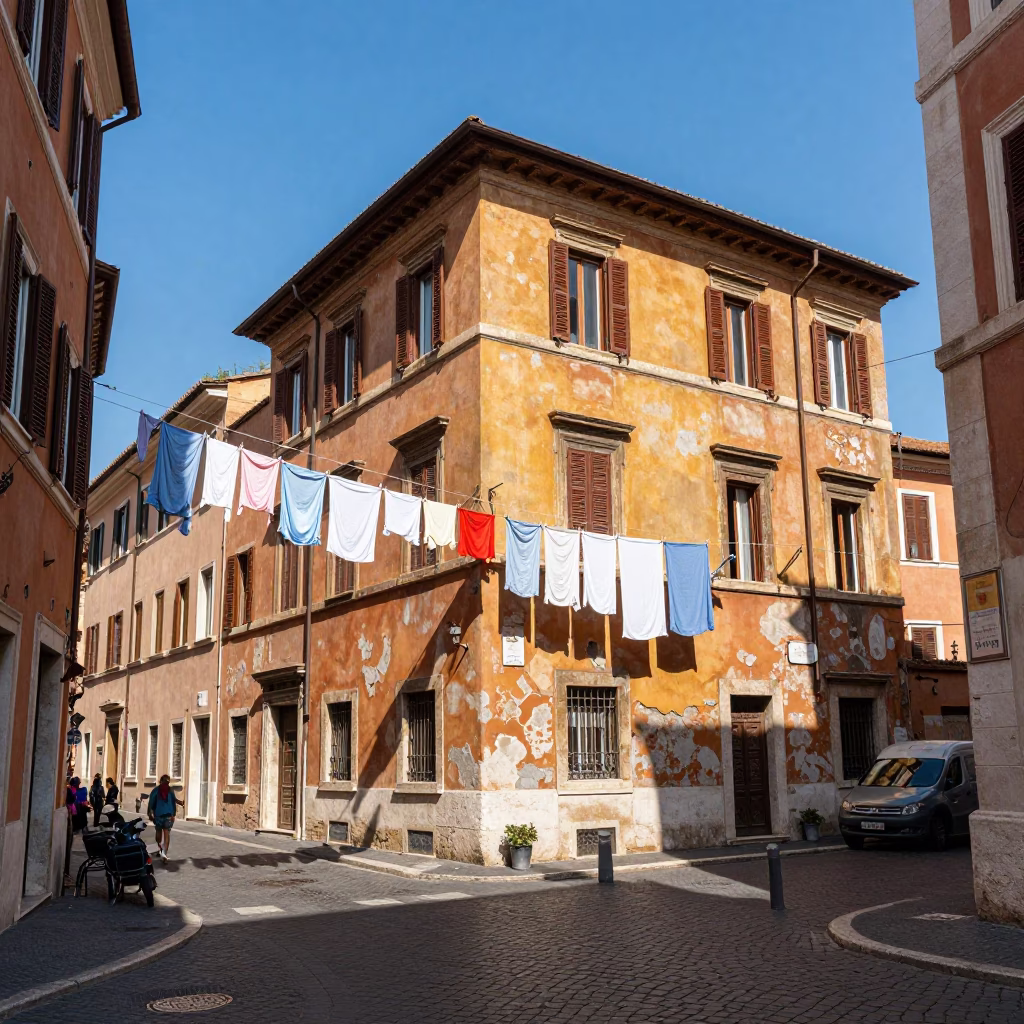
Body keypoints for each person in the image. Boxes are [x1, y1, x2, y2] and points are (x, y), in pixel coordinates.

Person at [147, 775, 183, 863]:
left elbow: (151, 802)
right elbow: (174, 801)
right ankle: (164, 854)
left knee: (158, 833)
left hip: (158, 816)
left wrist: (150, 813)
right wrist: (174, 813)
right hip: (168, 816)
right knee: (167, 834)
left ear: (160, 781)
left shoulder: (156, 790)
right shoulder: (170, 790)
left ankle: (159, 847)